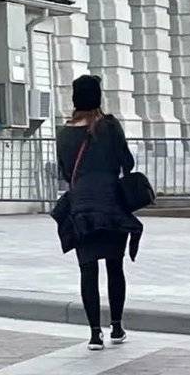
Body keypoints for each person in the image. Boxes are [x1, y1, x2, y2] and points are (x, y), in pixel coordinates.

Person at [53, 74, 142, 351]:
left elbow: (65, 172)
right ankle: (116, 326)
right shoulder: (110, 126)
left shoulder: (64, 132)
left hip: (81, 207)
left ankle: (94, 334)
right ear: (98, 98)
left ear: (74, 99)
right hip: (111, 204)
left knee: (87, 270)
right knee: (115, 267)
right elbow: (127, 161)